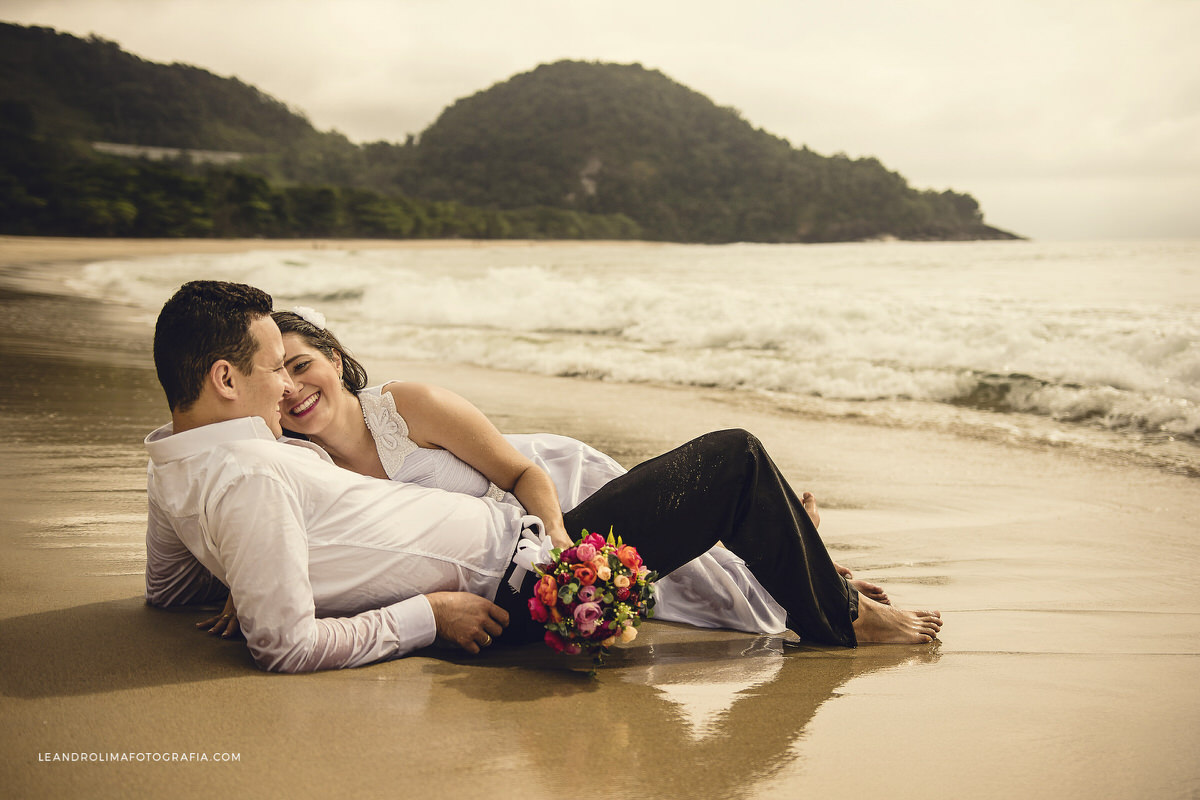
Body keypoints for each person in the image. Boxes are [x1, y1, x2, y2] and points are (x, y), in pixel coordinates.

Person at [145, 280, 941, 673]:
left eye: (298, 366)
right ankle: (842, 616)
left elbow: (178, 587)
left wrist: (253, 572)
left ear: (332, 359)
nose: (285, 390)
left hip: (539, 523)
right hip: (514, 584)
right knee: (733, 460)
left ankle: (811, 565)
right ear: (226, 378)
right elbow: (284, 639)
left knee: (723, 508)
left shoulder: (195, 464)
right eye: (271, 372)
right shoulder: (268, 466)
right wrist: (421, 614)